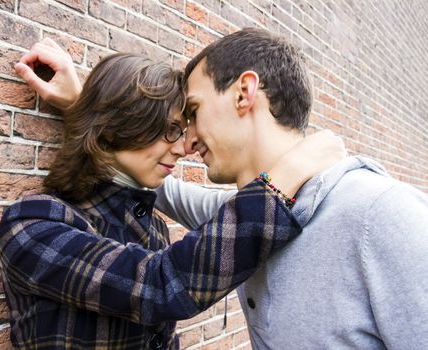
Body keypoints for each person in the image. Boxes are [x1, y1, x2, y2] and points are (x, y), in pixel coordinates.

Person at [22, 28, 428, 349]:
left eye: (193, 114)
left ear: (244, 93)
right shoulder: (243, 213)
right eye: (175, 129)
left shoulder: (382, 214)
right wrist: (87, 108)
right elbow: (162, 264)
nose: (188, 143)